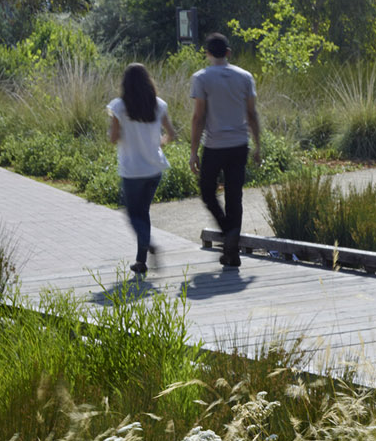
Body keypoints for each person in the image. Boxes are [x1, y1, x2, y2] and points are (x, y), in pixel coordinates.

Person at [189, 32, 263, 269]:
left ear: (208, 53)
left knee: (208, 192)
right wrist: (258, 145)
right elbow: (252, 114)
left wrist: (193, 151)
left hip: (214, 145)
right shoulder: (245, 77)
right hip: (239, 144)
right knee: (235, 197)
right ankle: (232, 249)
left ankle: (228, 234)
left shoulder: (201, 78)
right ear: (228, 53)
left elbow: (198, 117)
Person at [108, 63, 175, 276]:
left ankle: (150, 245)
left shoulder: (119, 107)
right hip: (154, 168)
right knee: (143, 213)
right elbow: (171, 134)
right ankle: (141, 261)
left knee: (132, 214)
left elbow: (112, 138)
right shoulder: (159, 105)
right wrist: (159, 142)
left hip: (132, 169)